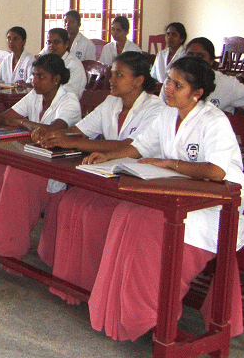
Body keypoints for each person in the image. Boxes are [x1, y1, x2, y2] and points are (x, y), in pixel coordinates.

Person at [79, 56, 244, 341]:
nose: (168, 88)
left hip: (216, 201)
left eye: (177, 85)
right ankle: (121, 307)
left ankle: (153, 313)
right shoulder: (168, 114)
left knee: (151, 225)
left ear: (197, 93)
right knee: (128, 212)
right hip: (178, 190)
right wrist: (106, 157)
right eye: (168, 81)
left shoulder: (213, 120)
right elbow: (140, 146)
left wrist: (169, 164)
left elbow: (216, 171)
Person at [32, 52, 164, 297]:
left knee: (91, 212)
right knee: (70, 202)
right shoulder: (111, 102)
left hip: (136, 182)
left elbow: (129, 147)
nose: (110, 79)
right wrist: (52, 135)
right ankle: (71, 283)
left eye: (118, 75)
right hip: (108, 175)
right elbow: (79, 131)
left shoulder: (155, 109)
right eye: (111, 73)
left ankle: (99, 285)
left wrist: (76, 143)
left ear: (138, 81)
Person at [0, 53, 81, 276]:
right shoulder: (36, 95)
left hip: (54, 169)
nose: (34, 81)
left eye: (41, 76)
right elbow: (6, 116)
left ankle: (9, 248)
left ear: (56, 79)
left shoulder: (69, 101)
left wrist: (22, 122)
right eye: (34, 75)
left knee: (15, 175)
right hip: (31, 157)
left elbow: (51, 132)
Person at [176, 37, 244, 113]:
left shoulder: (227, 84)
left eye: (201, 56)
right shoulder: (175, 80)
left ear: (211, 61)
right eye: (190, 55)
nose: (194, 60)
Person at [45, 28, 87, 98]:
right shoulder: (48, 61)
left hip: (67, 103)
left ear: (67, 44)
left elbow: (71, 92)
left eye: (56, 42)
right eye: (49, 42)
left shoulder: (73, 65)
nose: (51, 45)